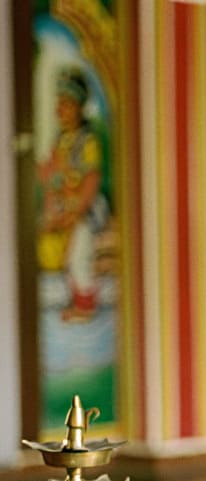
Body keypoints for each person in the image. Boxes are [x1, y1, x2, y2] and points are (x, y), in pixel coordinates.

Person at [37, 66, 108, 322]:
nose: (60, 110)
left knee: (80, 256)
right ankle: (75, 300)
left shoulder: (87, 141)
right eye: (59, 104)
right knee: (62, 254)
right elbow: (49, 173)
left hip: (86, 209)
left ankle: (86, 306)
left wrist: (76, 210)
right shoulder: (61, 140)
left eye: (66, 104)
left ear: (79, 107)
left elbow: (91, 178)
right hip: (64, 205)